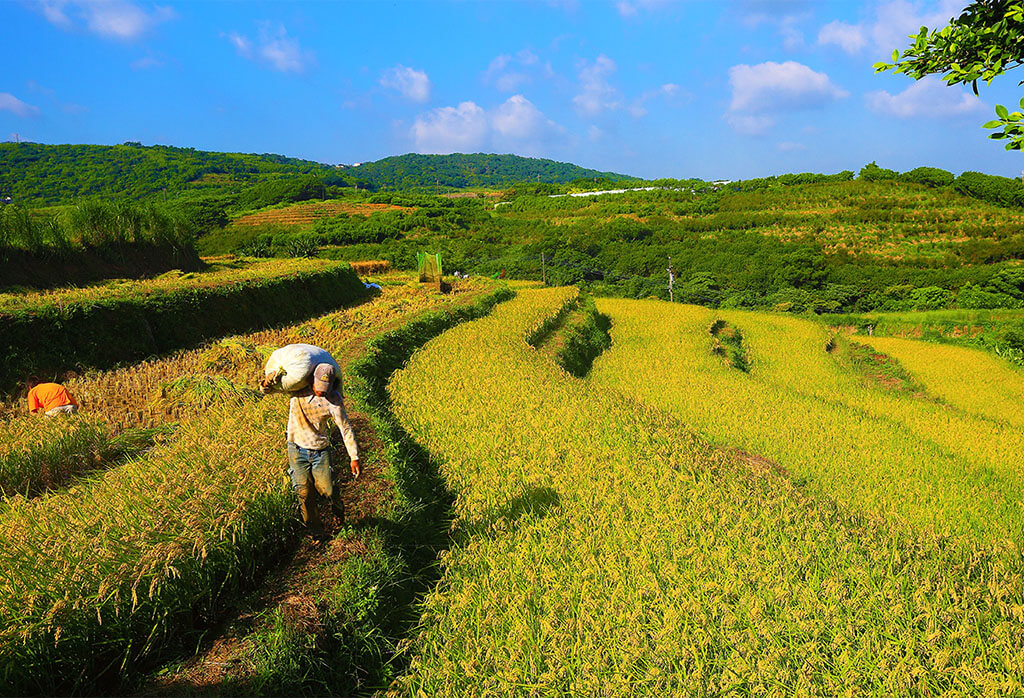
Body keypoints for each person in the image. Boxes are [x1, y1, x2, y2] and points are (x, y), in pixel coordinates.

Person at [286, 363, 360, 539]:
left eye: (325, 389)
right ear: (311, 380)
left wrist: (354, 457)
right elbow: (269, 390)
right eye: (318, 387)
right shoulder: (296, 392)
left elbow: (345, 429)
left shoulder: (333, 400)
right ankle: (316, 532)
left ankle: (338, 510)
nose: (321, 392)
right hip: (296, 449)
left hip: (320, 451)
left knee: (328, 489)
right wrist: (266, 383)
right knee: (304, 493)